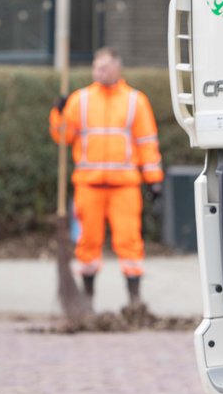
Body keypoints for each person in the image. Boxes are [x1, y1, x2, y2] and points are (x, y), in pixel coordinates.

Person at [49, 46, 164, 307]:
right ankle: (88, 299)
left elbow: (147, 142)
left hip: (124, 186)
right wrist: (59, 113)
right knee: (88, 243)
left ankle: (134, 301)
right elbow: (63, 137)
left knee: (129, 241)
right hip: (89, 184)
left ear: (116, 68)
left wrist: (154, 179)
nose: (98, 72)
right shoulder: (81, 99)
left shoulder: (135, 100)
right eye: (96, 67)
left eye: (104, 67)